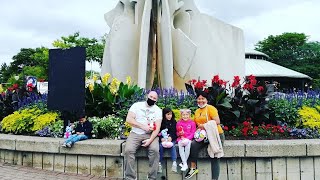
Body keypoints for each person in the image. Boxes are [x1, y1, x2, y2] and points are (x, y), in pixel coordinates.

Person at [185, 91, 225, 180]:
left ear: (206, 99)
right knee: (193, 145)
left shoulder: (210, 108)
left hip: (216, 135)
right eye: (199, 99)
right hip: (204, 136)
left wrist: (204, 125)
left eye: (203, 98)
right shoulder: (196, 111)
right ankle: (193, 167)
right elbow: (196, 125)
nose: (201, 100)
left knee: (215, 156)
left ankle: (214, 179)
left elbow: (217, 121)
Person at [124, 91, 162, 180]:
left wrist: (150, 140)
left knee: (155, 150)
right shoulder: (136, 106)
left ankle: (152, 177)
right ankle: (130, 177)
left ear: (156, 100)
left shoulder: (158, 110)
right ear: (147, 96)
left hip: (150, 135)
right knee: (128, 150)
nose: (152, 99)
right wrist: (143, 126)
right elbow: (129, 119)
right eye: (151, 97)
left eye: (154, 98)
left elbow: (157, 128)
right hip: (135, 133)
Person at [158, 108, 178, 173]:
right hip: (163, 139)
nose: (169, 116)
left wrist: (171, 137)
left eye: (171, 114)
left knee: (173, 146)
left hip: (172, 139)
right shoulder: (161, 122)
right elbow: (158, 132)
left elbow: (175, 132)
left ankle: (174, 162)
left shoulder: (174, 122)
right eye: (167, 114)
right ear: (164, 115)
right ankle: (159, 163)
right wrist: (161, 138)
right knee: (160, 146)